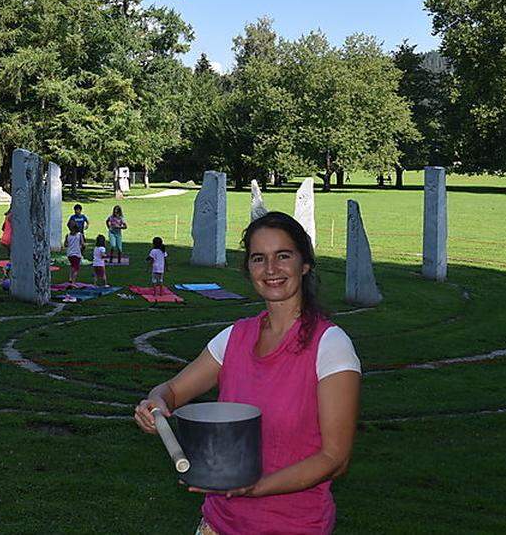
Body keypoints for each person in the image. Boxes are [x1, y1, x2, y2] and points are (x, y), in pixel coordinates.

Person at [134, 212, 361, 535]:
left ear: (305, 264)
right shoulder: (234, 338)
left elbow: (335, 459)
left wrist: (256, 488)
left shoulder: (331, 346)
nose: (271, 269)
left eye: (283, 255)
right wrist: (154, 403)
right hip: (217, 524)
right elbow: (171, 390)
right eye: (259, 258)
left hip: (293, 527)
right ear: (249, 269)